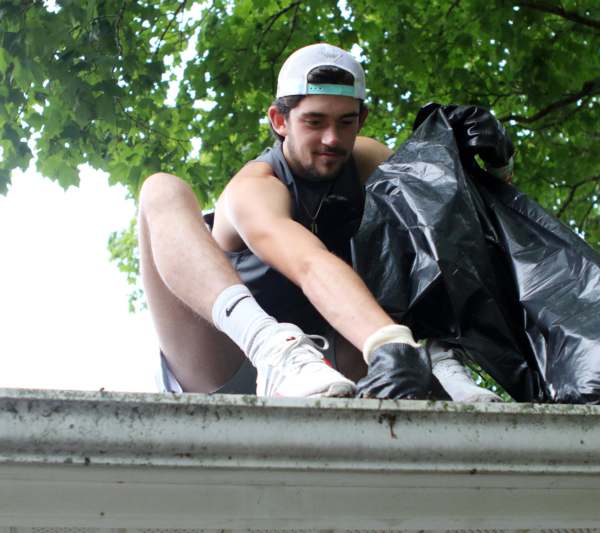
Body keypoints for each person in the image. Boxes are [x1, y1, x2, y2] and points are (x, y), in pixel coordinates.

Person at [138, 43, 502, 401]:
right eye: (314, 122)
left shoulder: (367, 160)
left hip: (335, 363)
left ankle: (437, 356)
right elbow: (308, 263)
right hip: (230, 359)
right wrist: (387, 342)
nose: (331, 138)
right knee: (161, 189)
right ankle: (274, 348)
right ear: (280, 120)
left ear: (362, 120)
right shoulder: (256, 187)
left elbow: (448, 226)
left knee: (412, 205)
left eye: (346, 122)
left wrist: (486, 166)